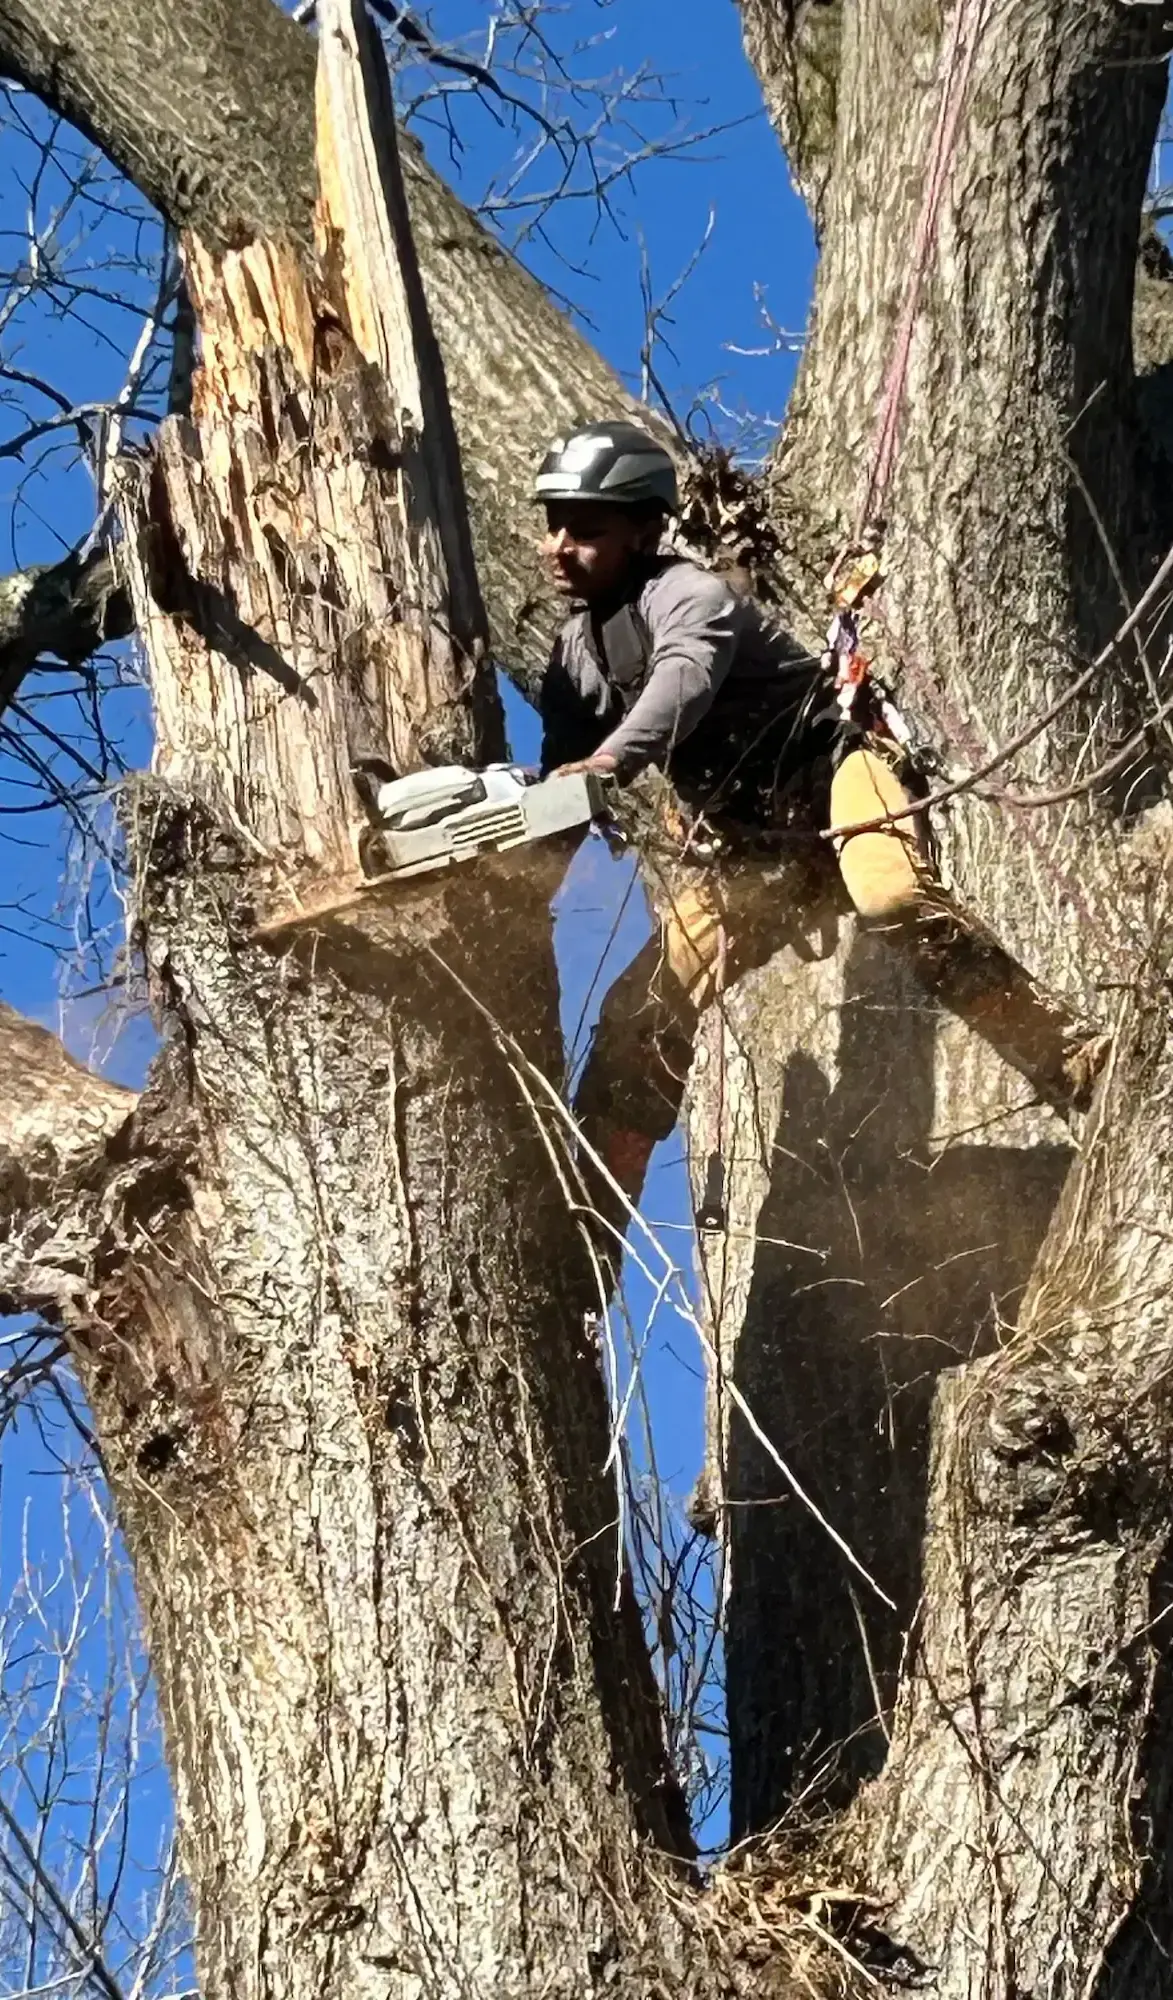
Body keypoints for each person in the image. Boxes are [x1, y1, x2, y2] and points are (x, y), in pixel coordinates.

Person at [533, 421, 1100, 1208]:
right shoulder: (573, 660)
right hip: (759, 854)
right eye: (553, 525)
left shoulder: (689, 597)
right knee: (640, 1012)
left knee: (891, 898)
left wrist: (608, 762)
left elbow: (683, 682)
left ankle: (1070, 1061)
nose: (559, 546)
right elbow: (549, 796)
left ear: (640, 530)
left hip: (835, 775)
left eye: (586, 530)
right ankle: (593, 1211)